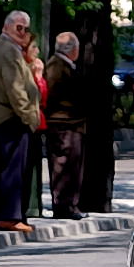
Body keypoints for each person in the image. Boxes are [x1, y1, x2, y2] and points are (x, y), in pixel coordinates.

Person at [0, 10, 41, 232]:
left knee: (3, 169)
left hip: (0, 117)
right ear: (6, 27)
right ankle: (10, 216)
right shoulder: (8, 51)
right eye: (18, 27)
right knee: (13, 170)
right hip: (11, 119)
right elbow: (15, 90)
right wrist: (29, 117)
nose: (23, 32)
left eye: (26, 28)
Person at [44, 32, 87, 219]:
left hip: (70, 122)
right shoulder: (56, 66)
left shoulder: (63, 65)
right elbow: (52, 93)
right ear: (73, 50)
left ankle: (69, 205)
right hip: (63, 123)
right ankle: (64, 206)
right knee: (63, 164)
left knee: (72, 164)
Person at [23, 33, 47, 219]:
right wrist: (38, 78)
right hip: (28, 122)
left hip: (38, 123)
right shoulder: (24, 70)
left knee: (33, 165)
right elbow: (38, 97)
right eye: (34, 48)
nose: (37, 52)